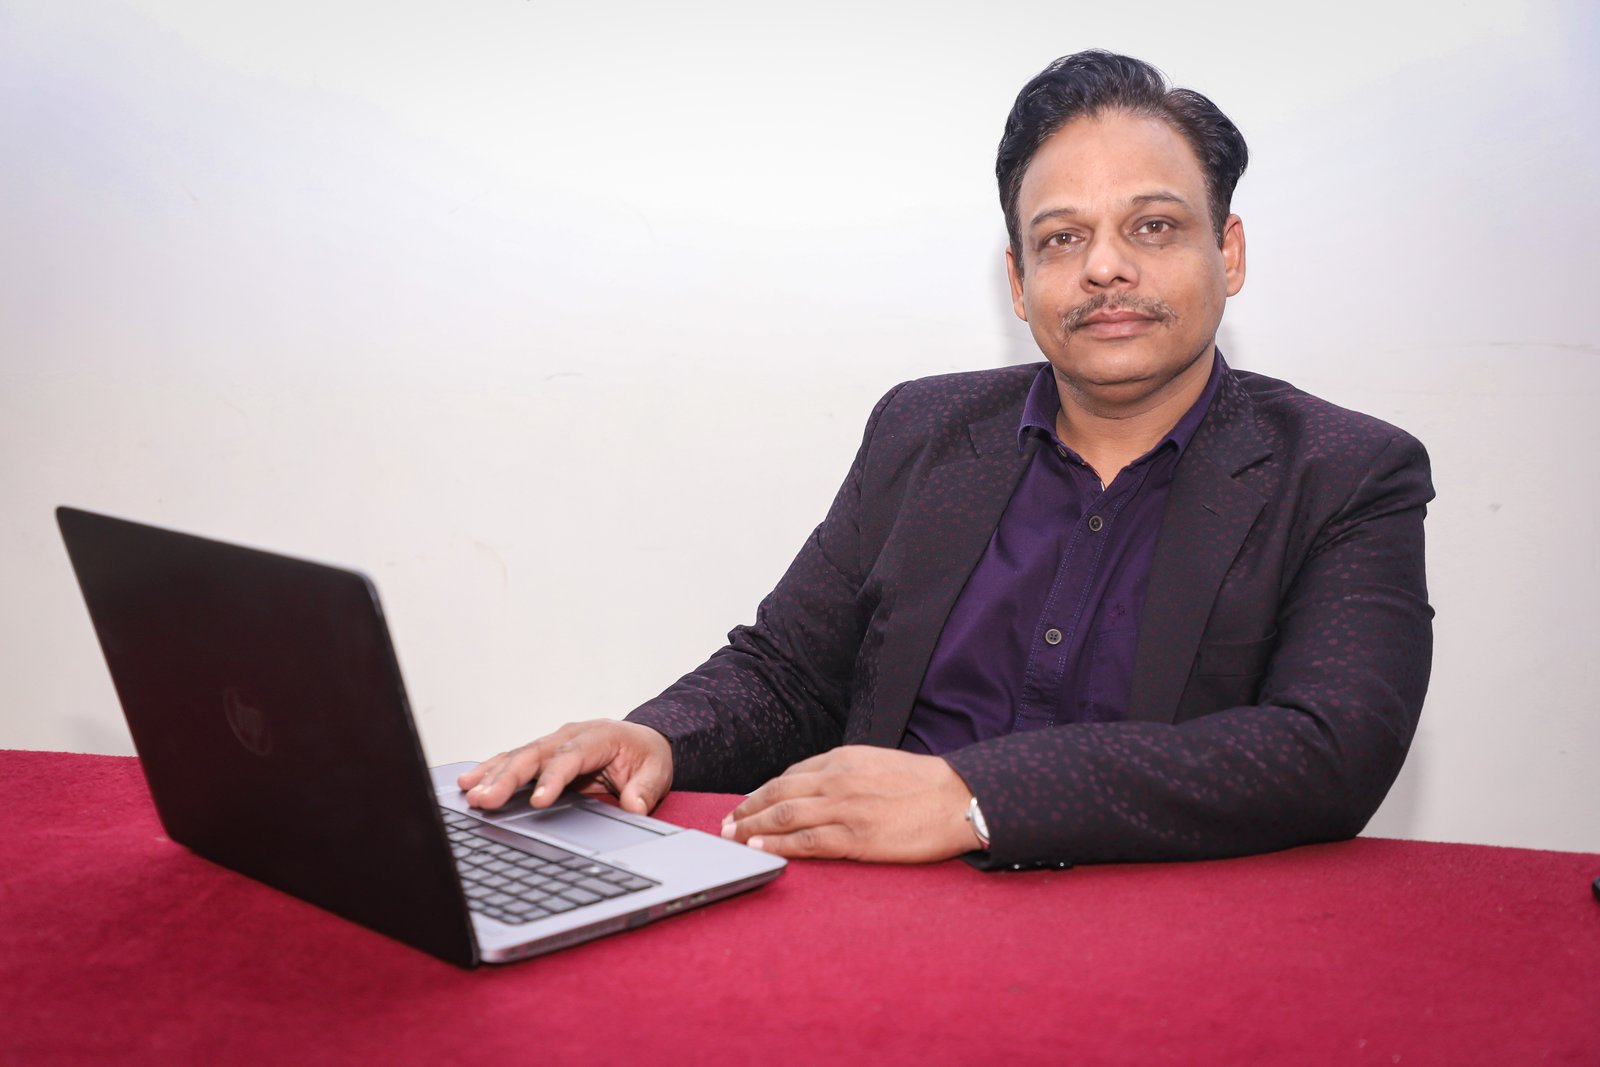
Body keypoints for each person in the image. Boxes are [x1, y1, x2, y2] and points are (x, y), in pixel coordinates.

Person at [460, 50, 1434, 870]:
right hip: (875, 919)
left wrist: (978, 797)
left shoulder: (1345, 471)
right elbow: (791, 672)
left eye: (1152, 226)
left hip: (1155, 933)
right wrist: (658, 736)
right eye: (1062, 238)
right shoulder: (923, 430)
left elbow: (1327, 749)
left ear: (1229, 251)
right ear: (1019, 279)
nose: (1105, 266)